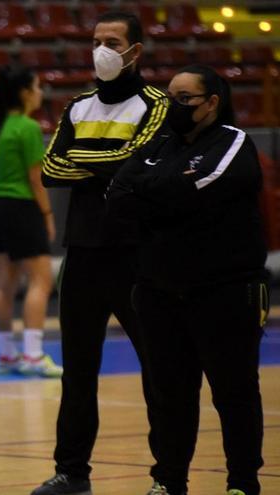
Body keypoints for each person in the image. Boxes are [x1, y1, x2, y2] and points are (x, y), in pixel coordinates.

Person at [107, 66, 267, 495]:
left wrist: (154, 195)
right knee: (169, 396)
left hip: (225, 291)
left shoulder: (235, 142)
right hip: (160, 292)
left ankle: (242, 482)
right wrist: (173, 191)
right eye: (170, 97)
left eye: (184, 99)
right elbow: (118, 194)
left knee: (234, 393)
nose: (173, 107)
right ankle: (169, 480)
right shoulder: (158, 145)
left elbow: (210, 184)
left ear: (211, 103)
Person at [32, 12, 167, 495]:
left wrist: (90, 162)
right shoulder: (77, 105)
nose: (101, 49)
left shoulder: (158, 105)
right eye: (95, 41)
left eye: (112, 41)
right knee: (78, 372)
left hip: (138, 255)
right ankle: (72, 472)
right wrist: (110, 165)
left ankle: (166, 477)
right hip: (83, 253)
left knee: (158, 370)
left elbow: (137, 166)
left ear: (136, 51)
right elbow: (50, 169)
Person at [0, 65, 61, 378]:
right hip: (21, 207)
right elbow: (34, 177)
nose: (41, 93)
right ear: (25, 92)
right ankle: (33, 354)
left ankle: (7, 355)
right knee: (41, 280)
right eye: (38, 86)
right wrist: (47, 215)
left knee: (6, 282)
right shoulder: (27, 127)